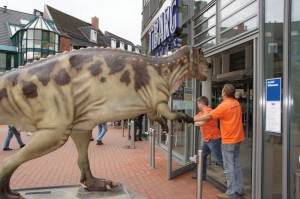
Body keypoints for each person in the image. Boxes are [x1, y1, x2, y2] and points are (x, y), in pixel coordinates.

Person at [194, 84, 245, 199]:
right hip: (238, 138)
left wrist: (195, 119)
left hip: (228, 140)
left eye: (222, 91)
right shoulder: (237, 104)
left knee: (228, 167)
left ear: (224, 93)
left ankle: (230, 192)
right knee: (236, 165)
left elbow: (209, 116)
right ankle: (239, 189)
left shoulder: (224, 106)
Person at [193, 96, 223, 180]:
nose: (197, 105)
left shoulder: (209, 111)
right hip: (207, 139)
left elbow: (201, 122)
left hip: (214, 139)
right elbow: (195, 118)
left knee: (219, 160)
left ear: (201, 103)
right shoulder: (202, 112)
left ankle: (232, 179)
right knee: (202, 156)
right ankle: (202, 176)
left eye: (197, 103)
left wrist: (195, 122)